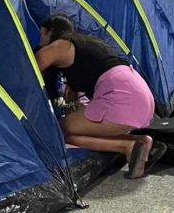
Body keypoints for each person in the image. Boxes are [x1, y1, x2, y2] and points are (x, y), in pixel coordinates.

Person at [35, 15, 166, 179]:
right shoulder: (83, 44)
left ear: (51, 32)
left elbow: (30, 73)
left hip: (121, 98)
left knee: (61, 130)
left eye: (42, 34)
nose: (40, 41)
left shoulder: (59, 46)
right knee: (83, 128)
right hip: (138, 93)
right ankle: (142, 141)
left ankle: (127, 147)